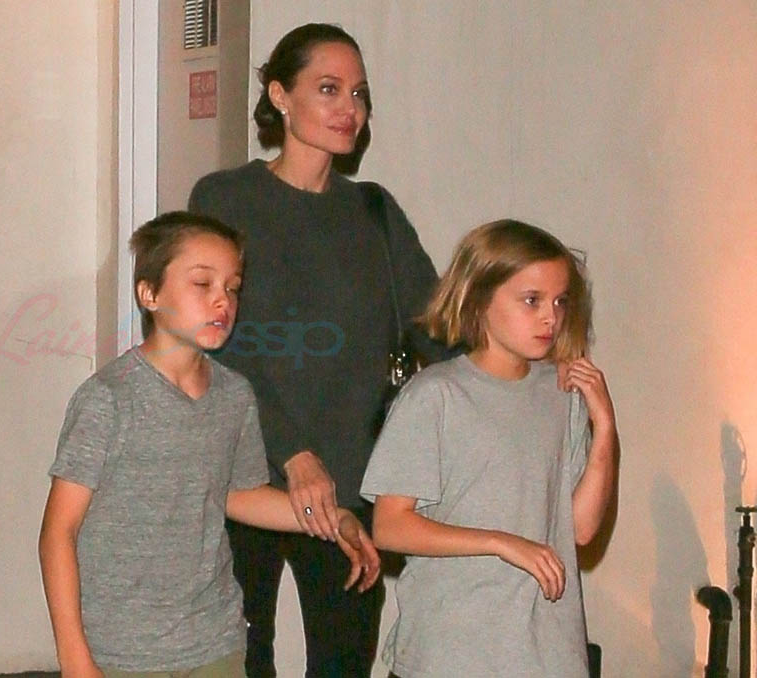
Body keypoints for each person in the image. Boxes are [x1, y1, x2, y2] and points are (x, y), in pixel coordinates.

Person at [188, 23, 439, 676]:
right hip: (244, 472)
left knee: (343, 663)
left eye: (359, 93)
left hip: (351, 482)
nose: (349, 108)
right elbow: (221, 345)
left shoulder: (374, 213)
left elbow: (440, 331)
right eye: (328, 89)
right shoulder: (225, 200)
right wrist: (293, 452)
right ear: (280, 96)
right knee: (238, 661)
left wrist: (523, 375)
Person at [38, 212, 381, 677]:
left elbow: (238, 495)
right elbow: (59, 532)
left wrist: (333, 518)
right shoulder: (109, 399)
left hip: (214, 641)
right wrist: (75, 658)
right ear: (149, 294)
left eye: (233, 287)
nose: (223, 300)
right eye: (203, 284)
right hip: (122, 651)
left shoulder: (234, 394)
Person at [361, 220, 618, 677]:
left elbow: (581, 529)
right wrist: (500, 543)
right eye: (532, 300)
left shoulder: (561, 394)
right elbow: (390, 526)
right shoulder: (435, 395)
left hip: (546, 656)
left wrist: (605, 427)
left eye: (560, 301)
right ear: (479, 298)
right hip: (450, 654)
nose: (550, 317)